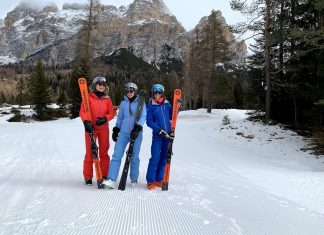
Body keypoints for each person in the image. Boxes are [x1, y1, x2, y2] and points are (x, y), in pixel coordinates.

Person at [103, 82, 146, 189]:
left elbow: (143, 116)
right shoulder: (123, 103)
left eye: (131, 91)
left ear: (135, 91)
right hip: (124, 133)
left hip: (136, 133)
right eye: (127, 91)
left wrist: (138, 127)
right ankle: (111, 179)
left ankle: (133, 179)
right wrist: (116, 129)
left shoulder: (141, 102)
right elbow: (120, 117)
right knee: (117, 155)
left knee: (134, 157)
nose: (129, 93)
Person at [79, 76, 115, 186]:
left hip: (103, 129)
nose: (102, 86)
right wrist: (86, 122)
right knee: (90, 153)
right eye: (100, 84)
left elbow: (112, 113)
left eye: (104, 84)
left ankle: (104, 174)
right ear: (95, 85)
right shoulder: (88, 97)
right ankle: (88, 177)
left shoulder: (107, 99)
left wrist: (105, 119)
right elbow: (83, 111)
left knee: (104, 152)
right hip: (91, 129)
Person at [145, 84, 172, 190]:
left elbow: (172, 116)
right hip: (157, 135)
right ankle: (150, 181)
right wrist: (158, 130)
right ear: (153, 93)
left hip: (167, 135)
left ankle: (158, 179)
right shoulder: (151, 105)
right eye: (155, 92)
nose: (157, 95)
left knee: (164, 157)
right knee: (155, 157)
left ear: (162, 93)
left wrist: (177, 107)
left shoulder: (167, 104)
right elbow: (149, 121)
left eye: (159, 92)